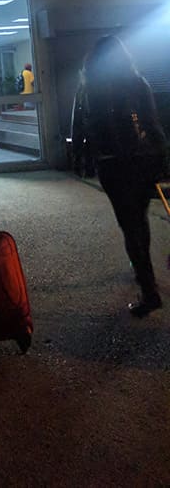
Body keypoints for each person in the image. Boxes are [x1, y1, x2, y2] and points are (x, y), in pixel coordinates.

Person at [71, 35, 166, 317]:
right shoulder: (138, 82)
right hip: (142, 160)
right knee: (140, 218)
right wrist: (160, 162)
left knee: (129, 224)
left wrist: (79, 159)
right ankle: (143, 275)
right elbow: (153, 124)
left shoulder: (88, 89)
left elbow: (79, 127)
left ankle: (149, 290)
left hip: (111, 163)